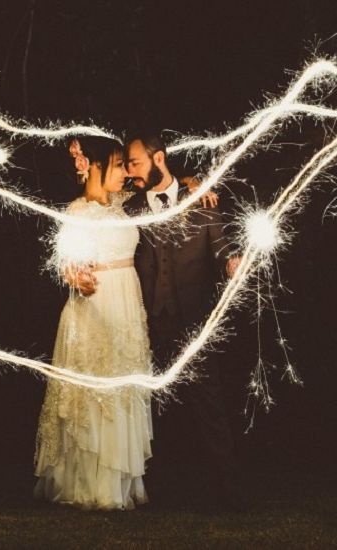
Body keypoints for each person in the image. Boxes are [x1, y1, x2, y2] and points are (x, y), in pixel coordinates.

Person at [73, 130, 245, 509]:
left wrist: (232, 261)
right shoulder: (129, 207)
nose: (131, 171)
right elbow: (95, 200)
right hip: (146, 322)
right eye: (127, 165)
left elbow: (222, 247)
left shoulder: (202, 200)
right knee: (150, 409)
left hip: (195, 322)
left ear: (159, 159)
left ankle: (228, 493)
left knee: (210, 407)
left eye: (135, 163)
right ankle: (162, 490)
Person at [33, 135, 152, 510]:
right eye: (118, 165)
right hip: (97, 307)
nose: (125, 173)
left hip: (128, 306)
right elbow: (67, 263)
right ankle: (89, 484)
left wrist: (193, 183)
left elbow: (159, 184)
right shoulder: (78, 212)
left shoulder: (120, 204)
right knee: (96, 395)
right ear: (95, 166)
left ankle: (122, 483)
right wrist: (76, 279)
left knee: (123, 391)